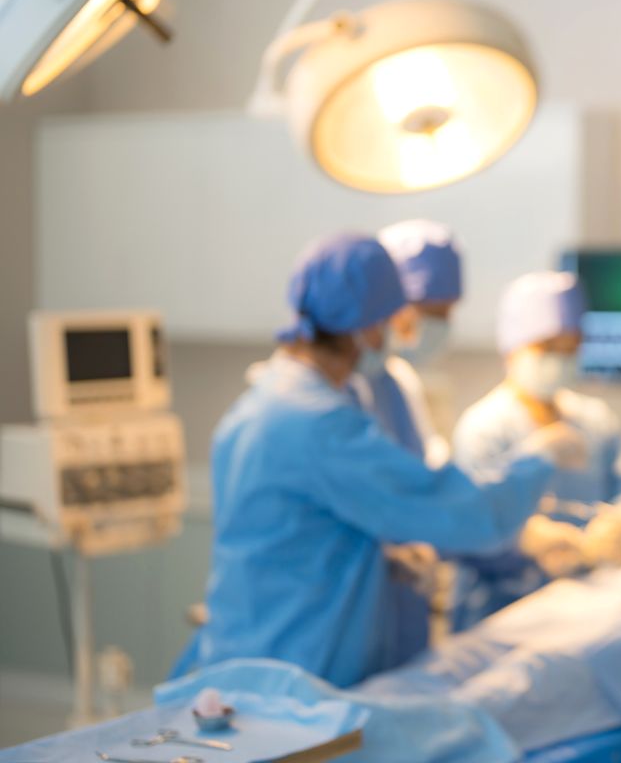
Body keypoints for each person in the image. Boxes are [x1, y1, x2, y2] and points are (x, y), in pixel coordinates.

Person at [173, 234, 585, 688]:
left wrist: (377, 554)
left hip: (253, 650)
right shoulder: (318, 423)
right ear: (366, 327)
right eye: (391, 320)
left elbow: (296, 534)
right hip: (288, 670)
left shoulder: (265, 400)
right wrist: (536, 460)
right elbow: (453, 508)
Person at [450, 271, 621, 628]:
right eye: (547, 348)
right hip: (501, 616)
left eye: (570, 348)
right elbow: (470, 530)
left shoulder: (595, 421)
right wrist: (524, 544)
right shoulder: (484, 429)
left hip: (588, 612)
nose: (560, 360)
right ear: (512, 346)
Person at [355, 218, 461, 467]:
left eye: (445, 313)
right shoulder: (342, 384)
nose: (438, 326)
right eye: (429, 312)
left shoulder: (397, 381)